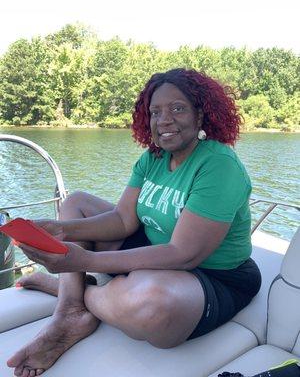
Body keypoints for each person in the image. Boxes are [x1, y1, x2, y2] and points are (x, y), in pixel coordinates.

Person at [7, 68, 261, 377]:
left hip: (215, 277)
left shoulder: (219, 165)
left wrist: (86, 259)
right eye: (155, 112)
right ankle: (70, 311)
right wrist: (63, 229)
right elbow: (123, 219)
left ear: (201, 115)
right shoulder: (152, 158)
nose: (163, 120)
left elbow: (184, 253)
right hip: (154, 249)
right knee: (75, 203)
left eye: (177, 108)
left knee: (154, 305)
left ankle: (71, 291)